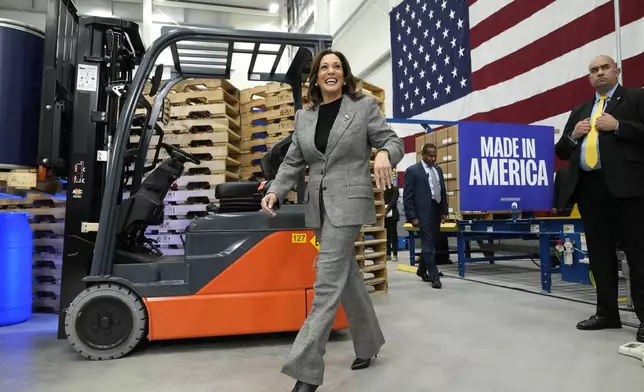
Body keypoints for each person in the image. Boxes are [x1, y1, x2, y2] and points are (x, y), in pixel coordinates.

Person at [260, 49, 404, 392]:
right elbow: (293, 162)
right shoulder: (304, 117)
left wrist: (384, 153)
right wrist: (276, 191)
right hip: (319, 206)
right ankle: (369, 344)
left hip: (349, 203)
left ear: (345, 74)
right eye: (324, 67)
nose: (331, 71)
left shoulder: (363, 107)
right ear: (316, 77)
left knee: (326, 284)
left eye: (337, 66)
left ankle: (306, 372)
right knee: (347, 276)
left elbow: (392, 141)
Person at [555, 55, 644, 343]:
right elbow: (562, 151)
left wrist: (618, 127)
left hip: (628, 189)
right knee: (600, 255)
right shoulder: (581, 110)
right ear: (589, 78)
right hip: (590, 190)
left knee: (638, 254)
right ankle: (607, 313)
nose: (599, 73)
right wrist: (573, 135)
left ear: (617, 71)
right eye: (593, 70)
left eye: (605, 68)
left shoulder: (635, 97)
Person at [402, 143, 448, 289]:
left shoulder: (438, 170)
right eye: (430, 156)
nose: (433, 159)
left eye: (435, 156)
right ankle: (434, 277)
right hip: (422, 214)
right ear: (423, 155)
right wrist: (412, 216)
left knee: (431, 243)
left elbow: (442, 191)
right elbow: (407, 196)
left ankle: (421, 270)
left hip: (436, 211)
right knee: (428, 244)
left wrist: (444, 211)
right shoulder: (413, 171)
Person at [384, 182, 400, 261]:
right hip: (383, 214)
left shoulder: (394, 188)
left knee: (393, 234)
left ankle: (395, 253)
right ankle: (388, 253)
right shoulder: (381, 186)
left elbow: (394, 199)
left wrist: (387, 208)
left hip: (392, 213)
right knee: (385, 235)